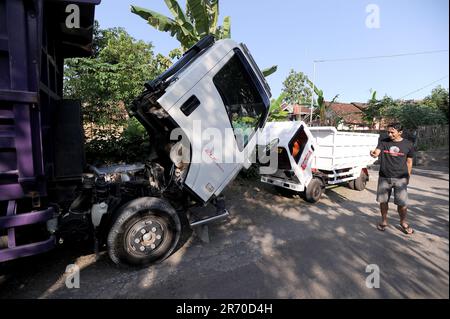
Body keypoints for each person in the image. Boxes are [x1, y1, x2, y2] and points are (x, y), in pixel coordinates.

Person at [370, 123, 415, 235]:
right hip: (384, 177)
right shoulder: (384, 141)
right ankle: (384, 221)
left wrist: (408, 176)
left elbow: (409, 162)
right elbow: (377, 152)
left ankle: (403, 222)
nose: (389, 134)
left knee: (402, 203)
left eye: (392, 132)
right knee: (383, 201)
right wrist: (374, 154)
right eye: (388, 132)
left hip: (401, 178)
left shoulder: (408, 144)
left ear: (400, 132)